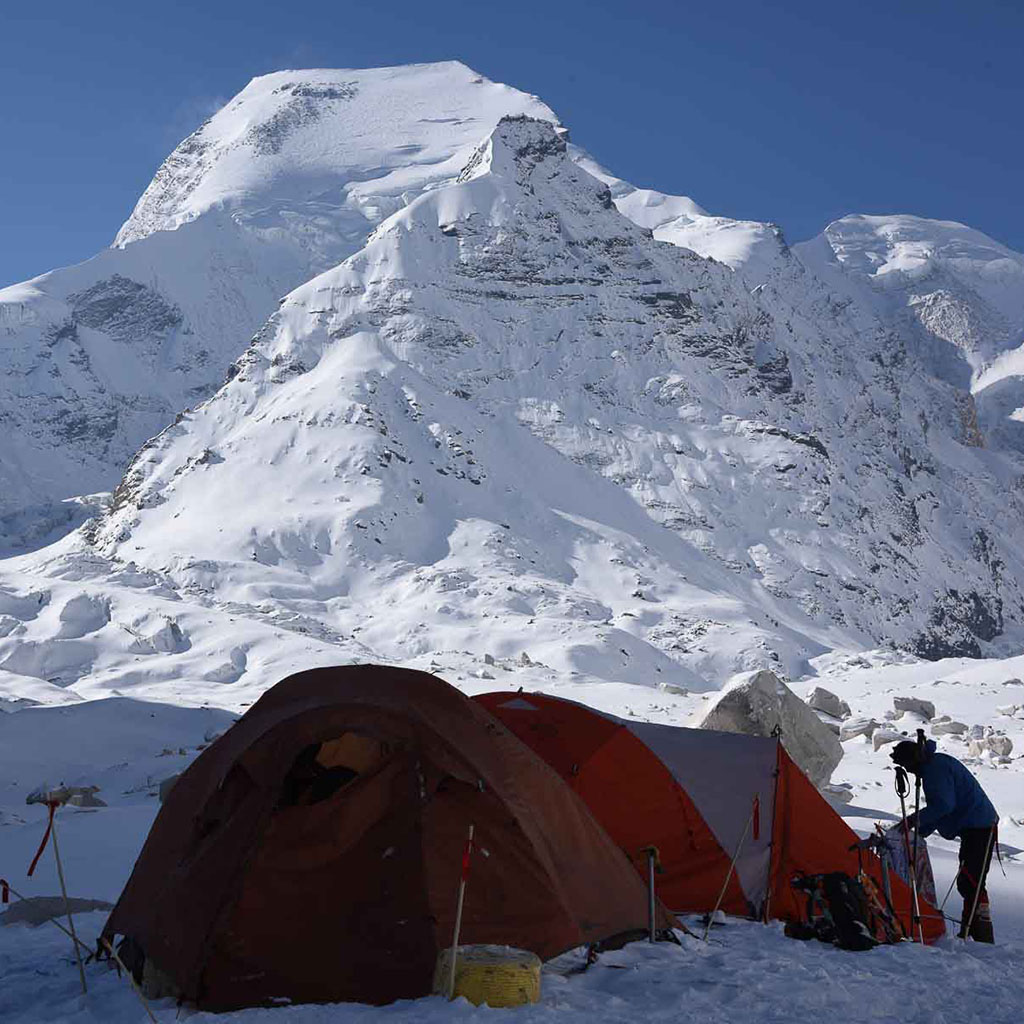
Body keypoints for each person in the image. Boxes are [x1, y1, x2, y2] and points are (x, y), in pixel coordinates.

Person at [890, 738, 998, 942]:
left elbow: (943, 806)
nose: (909, 770)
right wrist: (918, 832)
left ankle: (981, 934)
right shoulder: (934, 765)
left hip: (980, 824)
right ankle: (971, 931)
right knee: (969, 880)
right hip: (975, 825)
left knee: (971, 880)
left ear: (913, 760)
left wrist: (913, 822)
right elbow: (940, 810)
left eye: (906, 765)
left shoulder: (935, 768)